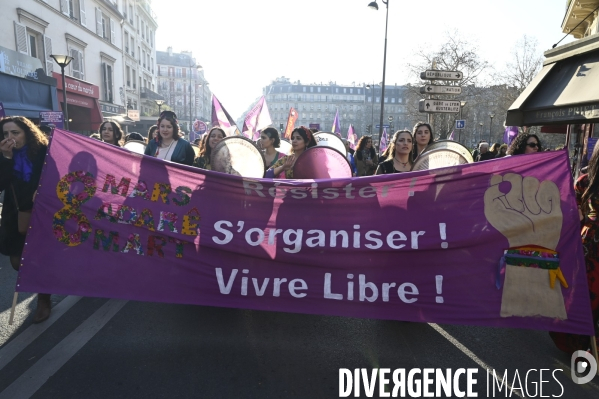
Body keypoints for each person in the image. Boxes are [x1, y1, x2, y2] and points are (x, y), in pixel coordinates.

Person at [0, 116, 51, 323]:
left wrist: (41, 190)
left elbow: (56, 176)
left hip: (41, 211)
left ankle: (43, 298)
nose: (10, 137)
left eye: (15, 133)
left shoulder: (42, 151)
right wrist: (6, 158)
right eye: (5, 134)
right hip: (15, 213)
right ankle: (41, 283)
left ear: (27, 133)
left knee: (38, 257)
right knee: (16, 259)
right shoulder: (4, 154)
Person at [550, 141, 599, 354]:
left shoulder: (585, 181)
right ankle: (583, 348)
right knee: (586, 301)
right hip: (589, 251)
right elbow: (571, 214)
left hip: (588, 246)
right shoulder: (585, 181)